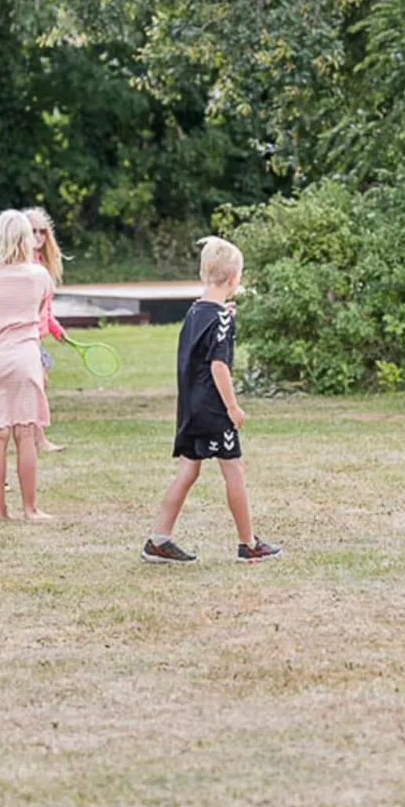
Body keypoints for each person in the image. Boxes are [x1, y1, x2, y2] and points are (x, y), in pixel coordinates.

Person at [142, 236, 281, 565]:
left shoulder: (195, 311)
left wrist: (223, 316)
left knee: (189, 470)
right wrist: (232, 407)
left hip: (190, 406)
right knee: (234, 469)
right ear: (234, 279)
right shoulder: (222, 319)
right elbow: (219, 366)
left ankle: (159, 540)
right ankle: (248, 543)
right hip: (212, 407)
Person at [0, 210, 55, 519]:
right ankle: (31, 508)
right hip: (27, 357)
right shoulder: (40, 276)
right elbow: (40, 309)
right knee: (26, 434)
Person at [25, 207, 68, 454]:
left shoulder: (42, 264)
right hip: (22, 336)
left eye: (43, 231)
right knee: (37, 385)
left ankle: (32, 436)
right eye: (33, 231)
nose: (39, 236)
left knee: (38, 386)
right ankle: (37, 439)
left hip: (35, 337)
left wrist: (55, 329)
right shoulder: (21, 264)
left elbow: (46, 308)